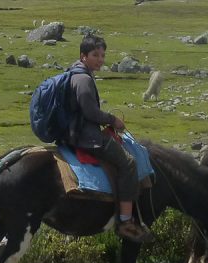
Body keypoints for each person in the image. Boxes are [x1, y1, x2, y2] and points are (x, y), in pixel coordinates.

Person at [66, 35, 153, 243]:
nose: (100, 59)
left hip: (74, 132)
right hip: (86, 137)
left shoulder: (74, 73)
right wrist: (112, 119)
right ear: (83, 56)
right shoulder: (84, 79)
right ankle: (125, 221)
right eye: (95, 55)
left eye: (103, 55)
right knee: (129, 163)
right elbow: (89, 112)